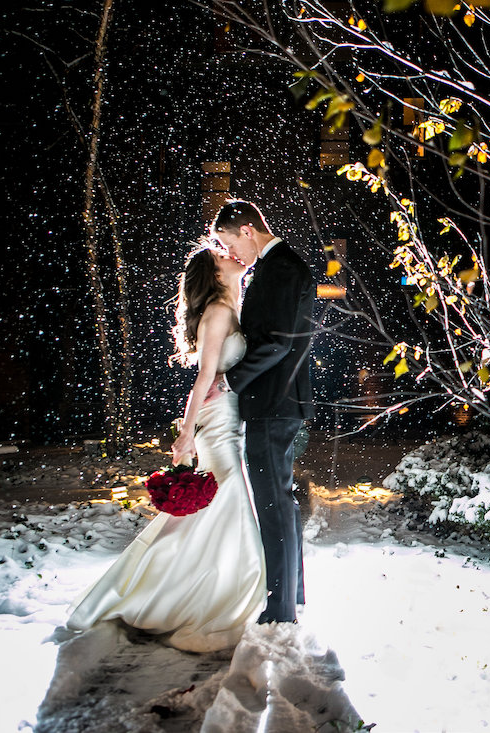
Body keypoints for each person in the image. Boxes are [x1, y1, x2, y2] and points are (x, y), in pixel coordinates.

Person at [66, 244, 266, 652]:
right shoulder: (219, 312)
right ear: (213, 272)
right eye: (221, 255)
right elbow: (204, 378)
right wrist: (186, 433)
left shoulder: (233, 306)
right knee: (232, 503)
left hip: (230, 418)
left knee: (216, 509)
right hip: (217, 421)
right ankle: (212, 599)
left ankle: (188, 589)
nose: (231, 255)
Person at [211, 199, 315, 625]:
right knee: (281, 503)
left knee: (273, 503)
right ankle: (292, 595)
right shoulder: (276, 267)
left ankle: (280, 610)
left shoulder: (283, 267)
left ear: (249, 230)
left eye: (231, 242)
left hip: (275, 402)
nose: (233, 253)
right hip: (278, 401)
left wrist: (229, 381)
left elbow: (276, 341)